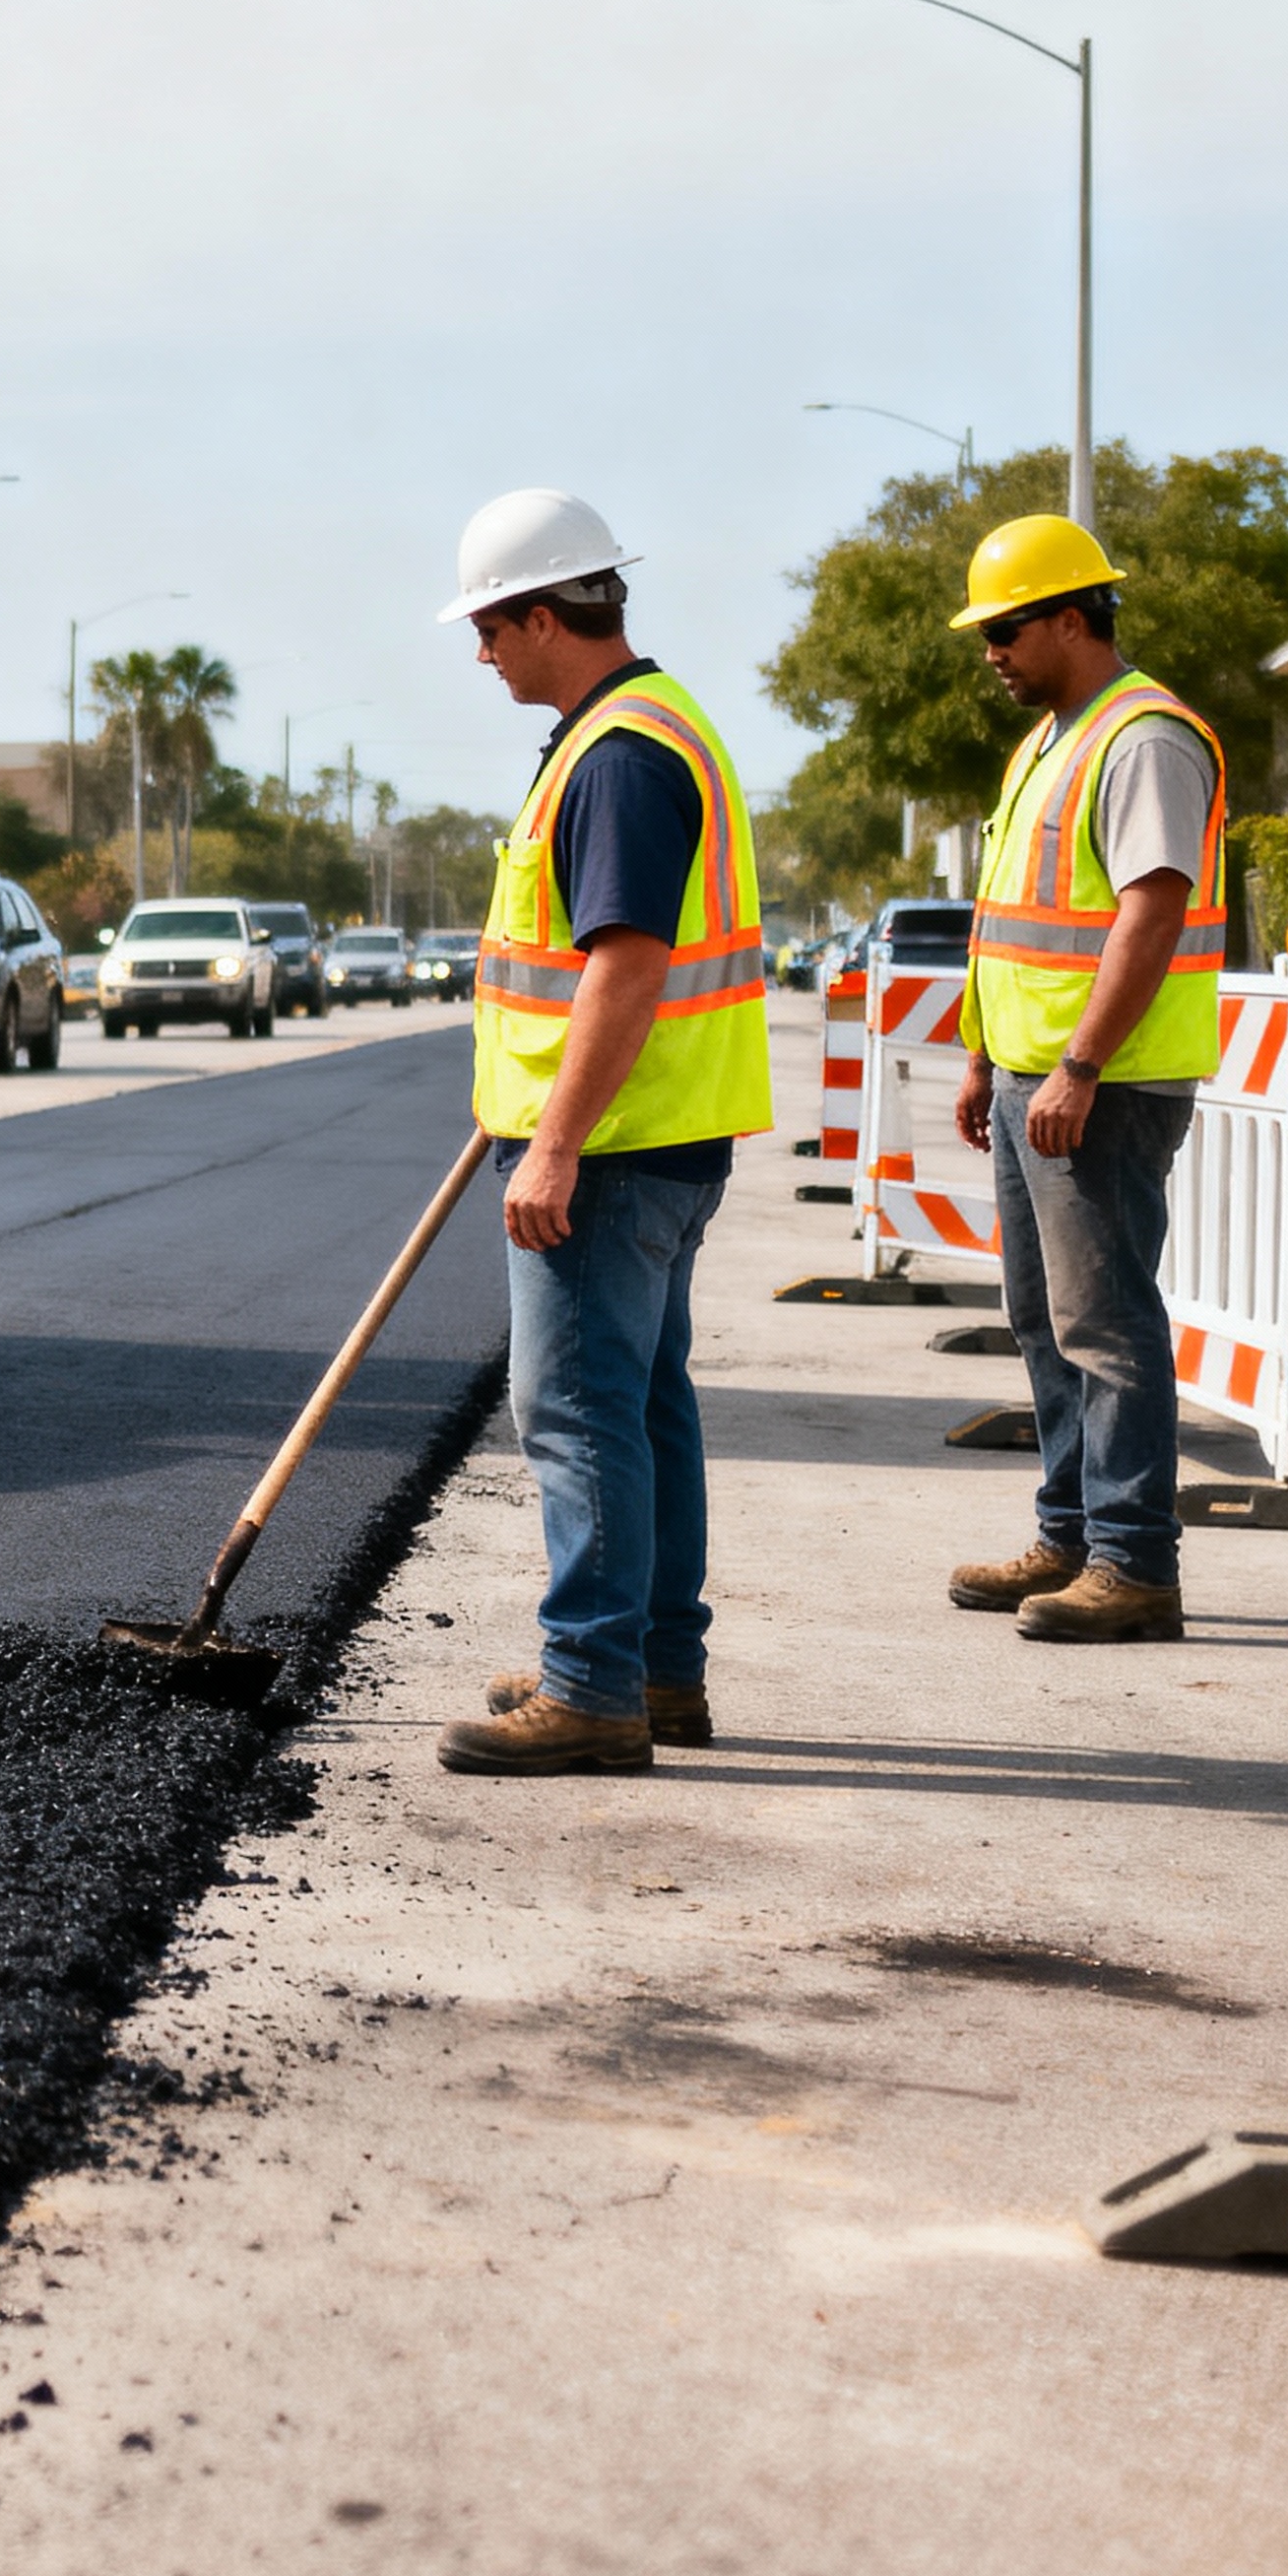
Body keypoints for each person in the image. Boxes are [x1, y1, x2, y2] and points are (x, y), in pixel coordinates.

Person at [431, 490, 771, 1777]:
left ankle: (591, 1687)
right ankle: (653, 1668)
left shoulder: (621, 754)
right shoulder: (642, 728)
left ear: (540, 615)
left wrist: (557, 1142)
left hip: (616, 1149)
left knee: (575, 1412)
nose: (481, 654)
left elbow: (625, 963)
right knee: (643, 1410)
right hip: (665, 1136)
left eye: (489, 627)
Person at [939, 514, 1226, 1646]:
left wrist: (1077, 1066)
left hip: (1100, 1088)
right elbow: (1015, 925)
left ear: (1072, 617)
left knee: (1104, 1323)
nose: (992, 650)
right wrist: (983, 1052)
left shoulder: (1143, 737)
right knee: (1042, 1318)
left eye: (1006, 629)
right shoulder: (1051, 739)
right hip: (1032, 1079)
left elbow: (1148, 914)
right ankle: (1070, 1538)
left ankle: (1133, 1562)